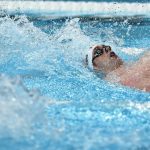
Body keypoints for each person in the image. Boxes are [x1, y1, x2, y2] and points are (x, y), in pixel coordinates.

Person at [85, 45, 150, 92]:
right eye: (98, 52)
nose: (108, 49)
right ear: (95, 66)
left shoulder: (131, 66)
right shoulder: (119, 80)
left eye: (106, 47)